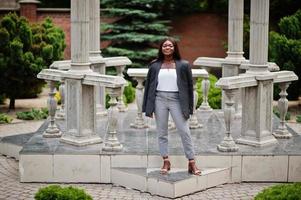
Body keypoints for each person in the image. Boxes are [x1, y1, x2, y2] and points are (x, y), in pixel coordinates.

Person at [142, 38, 201, 175]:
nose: (167, 47)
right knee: (162, 132)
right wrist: (148, 108)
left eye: (170, 45)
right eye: (164, 45)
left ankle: (192, 162)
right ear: (161, 48)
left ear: (174, 48)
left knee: (184, 131)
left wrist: (190, 108)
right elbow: (149, 87)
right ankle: (166, 161)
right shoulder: (155, 65)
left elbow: (189, 87)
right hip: (159, 99)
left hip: (177, 100)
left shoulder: (183, 65)